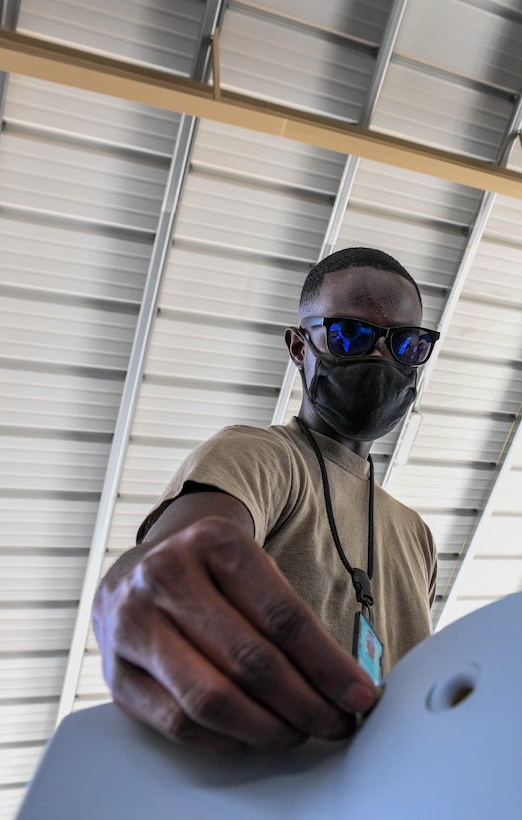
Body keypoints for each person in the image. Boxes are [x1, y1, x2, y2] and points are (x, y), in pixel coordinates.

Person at [92, 247, 440, 752]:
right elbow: (173, 558)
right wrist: (132, 586)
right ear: (299, 347)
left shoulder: (417, 535)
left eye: (406, 344)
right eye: (350, 335)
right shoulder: (261, 455)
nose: (382, 358)